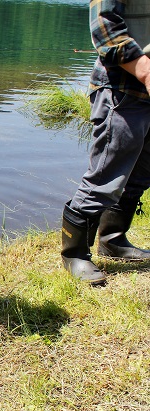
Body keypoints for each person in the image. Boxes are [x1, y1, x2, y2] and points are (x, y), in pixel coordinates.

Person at [61, 0, 150, 285]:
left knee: (141, 173)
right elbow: (104, 26)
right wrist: (145, 70)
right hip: (122, 88)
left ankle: (112, 239)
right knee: (106, 174)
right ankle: (73, 253)